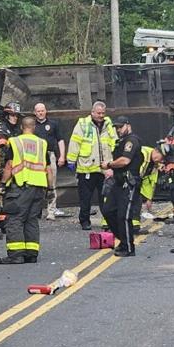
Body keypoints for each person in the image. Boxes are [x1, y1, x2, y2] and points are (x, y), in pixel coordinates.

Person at [0, 116, 48, 265]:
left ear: (21, 127)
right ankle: (31, 254)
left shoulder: (15, 142)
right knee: (31, 220)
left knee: (15, 219)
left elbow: (9, 165)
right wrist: (50, 188)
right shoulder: (42, 144)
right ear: (34, 127)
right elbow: (48, 168)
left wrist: (2, 183)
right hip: (39, 187)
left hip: (21, 186)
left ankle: (16, 255)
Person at [65, 100, 117, 231]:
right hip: (86, 167)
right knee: (85, 198)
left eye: (103, 113)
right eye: (98, 113)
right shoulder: (83, 124)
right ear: (92, 112)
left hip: (104, 168)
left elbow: (115, 142)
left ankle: (108, 221)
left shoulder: (109, 124)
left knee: (105, 197)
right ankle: (84, 221)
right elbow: (75, 142)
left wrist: (114, 162)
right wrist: (71, 159)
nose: (101, 115)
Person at [101, 117, 142, 256]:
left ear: (128, 125)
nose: (118, 130)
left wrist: (109, 164)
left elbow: (125, 160)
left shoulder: (132, 140)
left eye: (120, 127)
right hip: (118, 181)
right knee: (108, 210)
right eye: (117, 128)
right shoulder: (121, 141)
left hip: (129, 182)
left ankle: (129, 248)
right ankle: (123, 239)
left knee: (123, 216)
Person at [32, 102, 66, 220]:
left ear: (46, 111)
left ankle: (51, 211)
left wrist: (62, 156)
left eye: (42, 110)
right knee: (36, 184)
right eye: (38, 111)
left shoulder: (53, 124)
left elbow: (60, 140)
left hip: (50, 155)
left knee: (52, 183)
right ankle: (36, 211)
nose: (41, 113)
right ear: (34, 112)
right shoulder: (32, 126)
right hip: (35, 157)